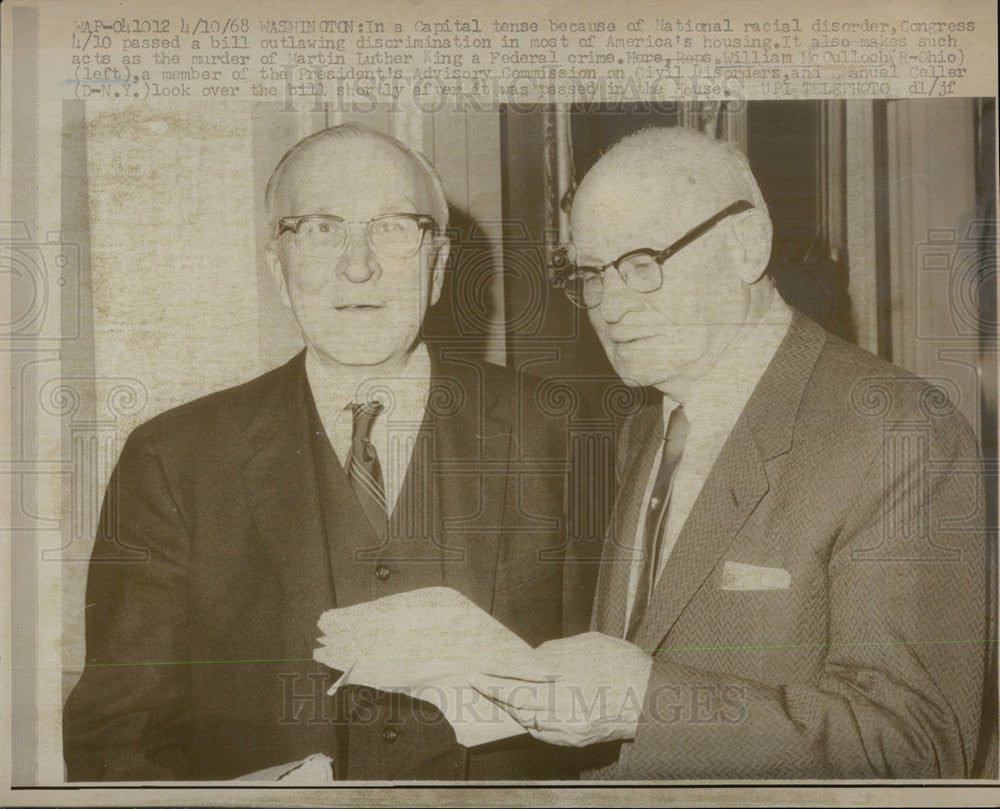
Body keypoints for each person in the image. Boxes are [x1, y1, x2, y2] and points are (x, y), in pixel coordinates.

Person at [63, 123, 596, 781]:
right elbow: (118, 744)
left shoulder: (559, 431)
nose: (358, 264)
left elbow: (609, 713)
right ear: (277, 268)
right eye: (319, 228)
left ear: (437, 265)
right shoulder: (173, 460)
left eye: (394, 227)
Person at [470, 126, 993, 779]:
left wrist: (647, 701)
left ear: (746, 246)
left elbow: (914, 747)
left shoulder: (897, 432)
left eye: (641, 263)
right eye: (590, 274)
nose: (610, 305)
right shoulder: (646, 427)